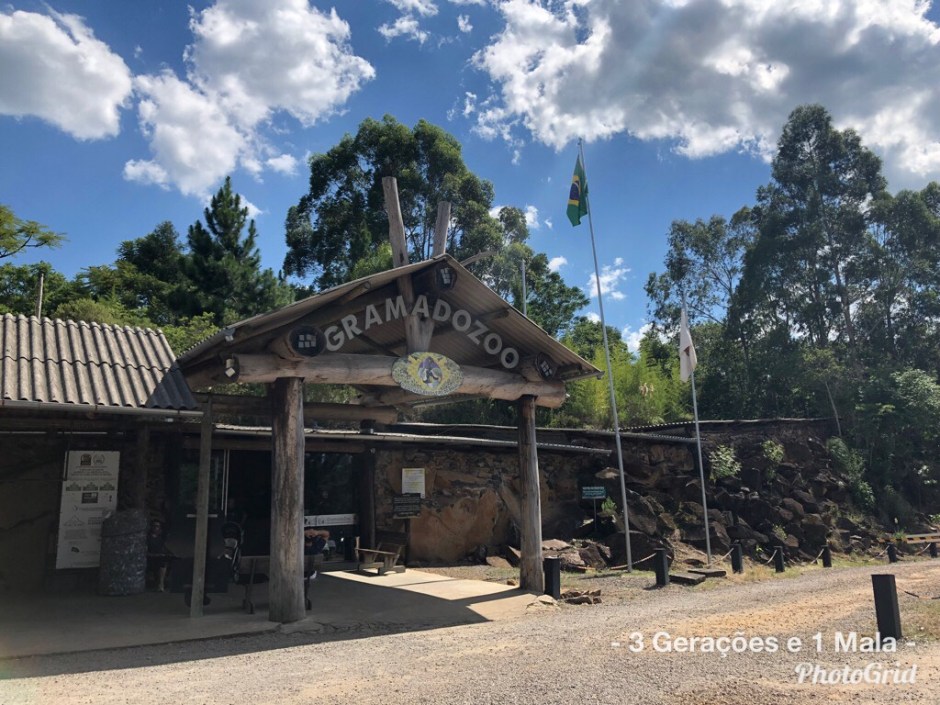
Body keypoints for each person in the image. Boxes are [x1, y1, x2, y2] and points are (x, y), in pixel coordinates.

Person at [146, 518, 174, 591]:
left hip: (159, 557)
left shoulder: (160, 538)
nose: (156, 528)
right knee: (162, 562)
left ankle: (163, 583)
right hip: (150, 558)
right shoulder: (147, 538)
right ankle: (161, 584)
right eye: (154, 526)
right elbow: (145, 551)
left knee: (167, 561)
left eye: (158, 526)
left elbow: (164, 548)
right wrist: (154, 555)